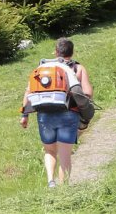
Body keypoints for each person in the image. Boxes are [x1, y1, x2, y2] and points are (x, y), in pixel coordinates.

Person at [19, 37, 93, 188]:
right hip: (68, 114)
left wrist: (24, 115)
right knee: (64, 154)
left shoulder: (42, 68)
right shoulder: (77, 68)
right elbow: (87, 93)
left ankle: (51, 182)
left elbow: (29, 91)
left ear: (55, 51)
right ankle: (63, 189)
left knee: (49, 151)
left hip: (44, 115)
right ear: (72, 52)